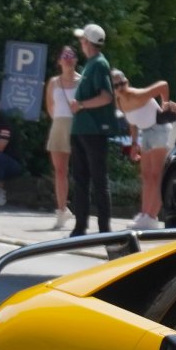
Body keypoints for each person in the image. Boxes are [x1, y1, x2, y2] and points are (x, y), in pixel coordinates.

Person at [68, 23, 116, 237]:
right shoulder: (91, 64)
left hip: (94, 130)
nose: (80, 43)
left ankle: (104, 229)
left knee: (98, 180)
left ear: (87, 42)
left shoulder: (99, 64)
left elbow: (106, 96)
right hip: (82, 128)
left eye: (82, 40)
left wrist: (81, 105)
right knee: (80, 179)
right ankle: (80, 226)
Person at [112, 69, 171, 229]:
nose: (121, 87)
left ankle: (152, 217)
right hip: (145, 132)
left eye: (123, 83)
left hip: (159, 129)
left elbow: (163, 85)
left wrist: (165, 105)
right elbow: (132, 123)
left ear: (127, 82)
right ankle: (144, 214)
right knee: (145, 176)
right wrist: (133, 144)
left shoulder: (137, 95)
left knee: (157, 176)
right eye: (116, 85)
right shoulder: (119, 102)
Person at [44, 46, 80, 229]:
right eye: (64, 56)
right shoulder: (53, 82)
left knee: (81, 170)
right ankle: (61, 209)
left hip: (77, 127)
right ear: (59, 61)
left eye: (70, 56)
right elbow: (50, 106)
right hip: (59, 125)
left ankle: (81, 209)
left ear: (75, 60)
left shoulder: (82, 81)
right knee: (59, 170)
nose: (67, 59)